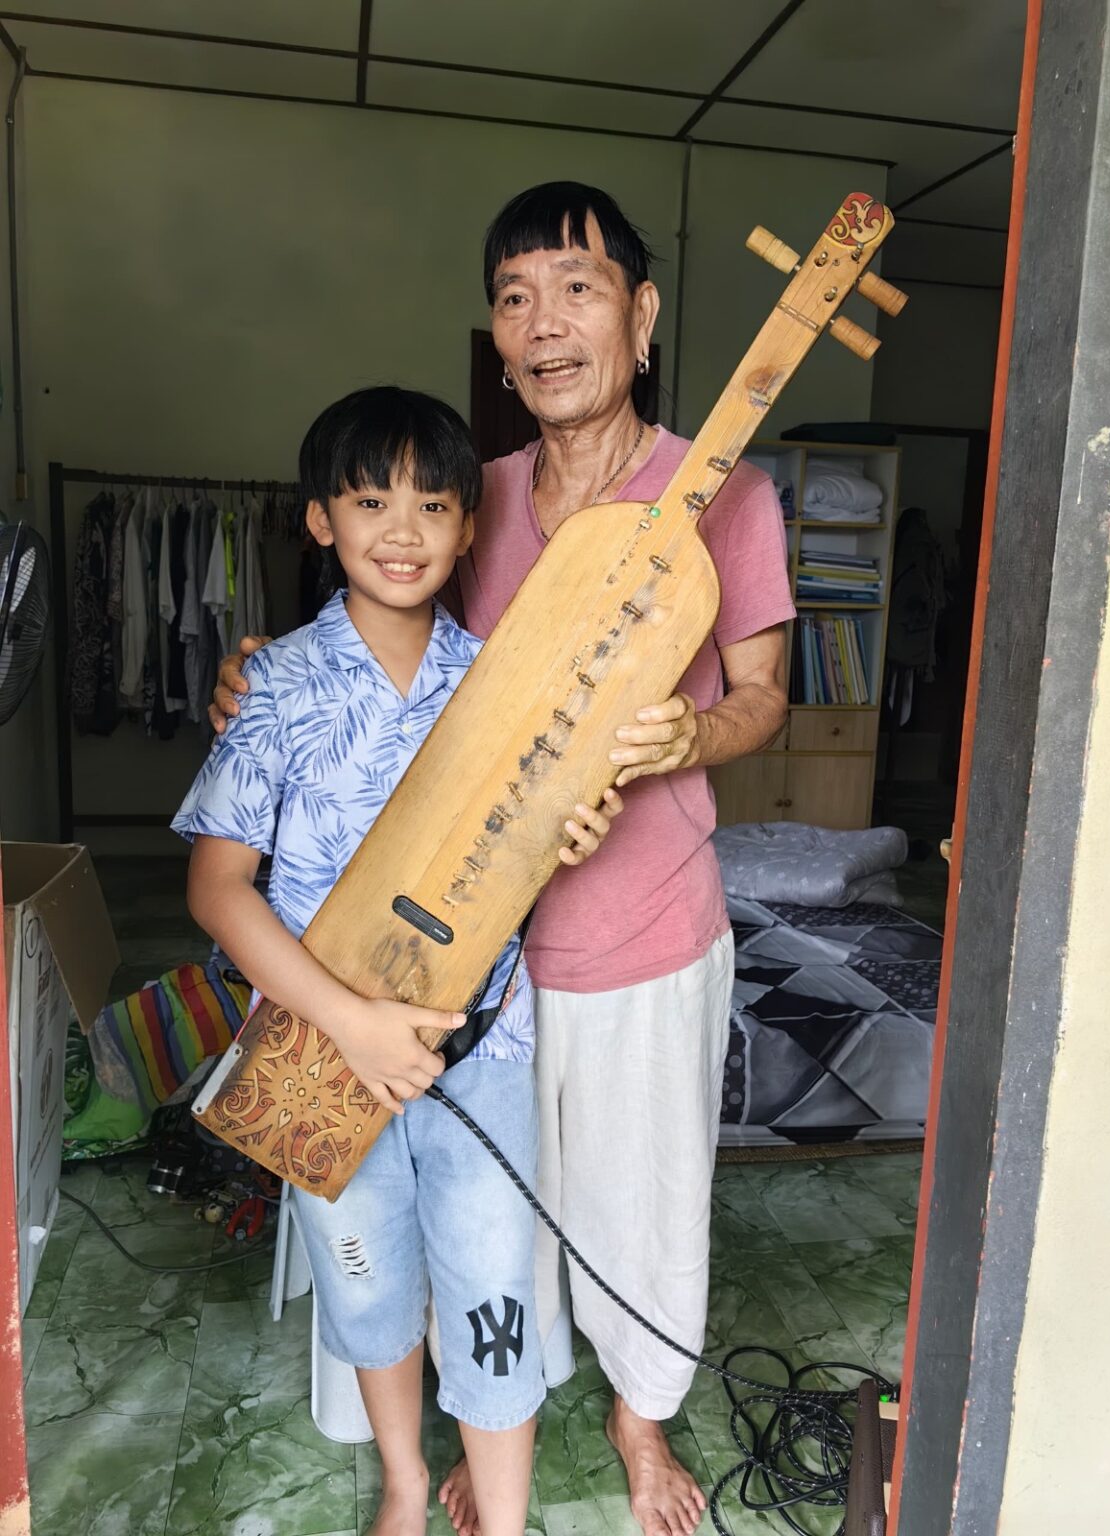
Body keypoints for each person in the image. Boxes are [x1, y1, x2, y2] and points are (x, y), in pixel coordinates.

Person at [213, 183, 794, 1536]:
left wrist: (690, 733)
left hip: (646, 924)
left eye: (578, 290)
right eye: (517, 298)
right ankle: (486, 1429)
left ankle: (641, 1422)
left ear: (641, 318)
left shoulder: (729, 492)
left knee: (643, 1202)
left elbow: (765, 698)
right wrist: (263, 676)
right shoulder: (471, 494)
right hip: (471, 952)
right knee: (485, 1220)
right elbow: (393, 645)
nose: (545, 324)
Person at [177, 386, 620, 1536]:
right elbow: (217, 887)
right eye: (372, 501)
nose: (405, 530)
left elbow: (527, 849)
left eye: (433, 503)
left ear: (470, 525)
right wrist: (353, 1023)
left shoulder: (504, 686)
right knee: (366, 1278)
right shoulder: (274, 685)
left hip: (481, 1050)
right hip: (320, 1047)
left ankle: (504, 1516)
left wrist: (569, 833)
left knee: (491, 1277)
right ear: (320, 519)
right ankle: (408, 1485)